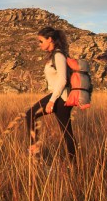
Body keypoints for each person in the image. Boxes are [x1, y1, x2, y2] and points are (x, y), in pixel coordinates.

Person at [25, 26, 77, 159]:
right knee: (67, 132)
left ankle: (35, 150)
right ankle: (73, 163)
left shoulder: (58, 55)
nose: (39, 44)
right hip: (59, 96)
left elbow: (63, 79)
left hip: (61, 97)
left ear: (50, 39)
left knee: (30, 114)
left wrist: (52, 101)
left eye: (41, 41)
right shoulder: (55, 55)